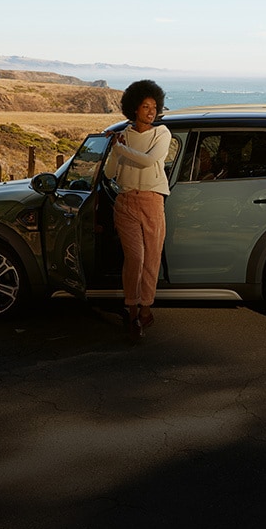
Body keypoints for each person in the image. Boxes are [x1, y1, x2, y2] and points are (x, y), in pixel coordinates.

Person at [104, 80, 171, 340]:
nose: (151, 111)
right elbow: (110, 173)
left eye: (154, 106)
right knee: (135, 258)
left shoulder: (161, 133)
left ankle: (146, 308)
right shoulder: (124, 135)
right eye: (145, 106)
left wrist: (120, 148)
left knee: (152, 257)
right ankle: (132, 312)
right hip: (125, 202)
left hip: (152, 200)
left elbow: (149, 161)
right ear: (134, 108)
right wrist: (114, 151)